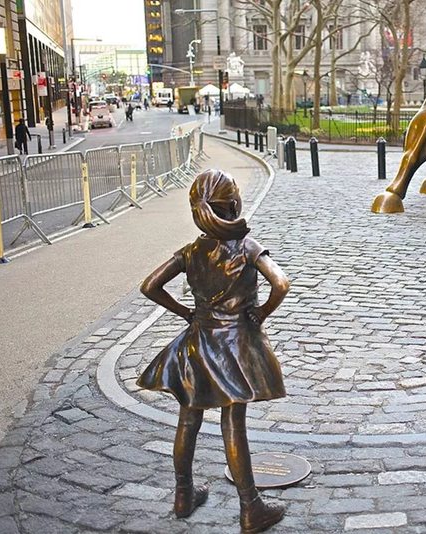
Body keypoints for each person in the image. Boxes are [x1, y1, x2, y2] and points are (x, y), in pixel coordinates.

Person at [137, 170, 289, 534]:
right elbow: (281, 283)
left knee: (188, 418)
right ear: (234, 206)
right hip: (235, 348)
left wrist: (186, 312)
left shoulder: (191, 251)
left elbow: (149, 286)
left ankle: (183, 495)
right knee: (232, 422)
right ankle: (251, 509)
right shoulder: (247, 247)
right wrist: (262, 313)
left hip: (197, 343)